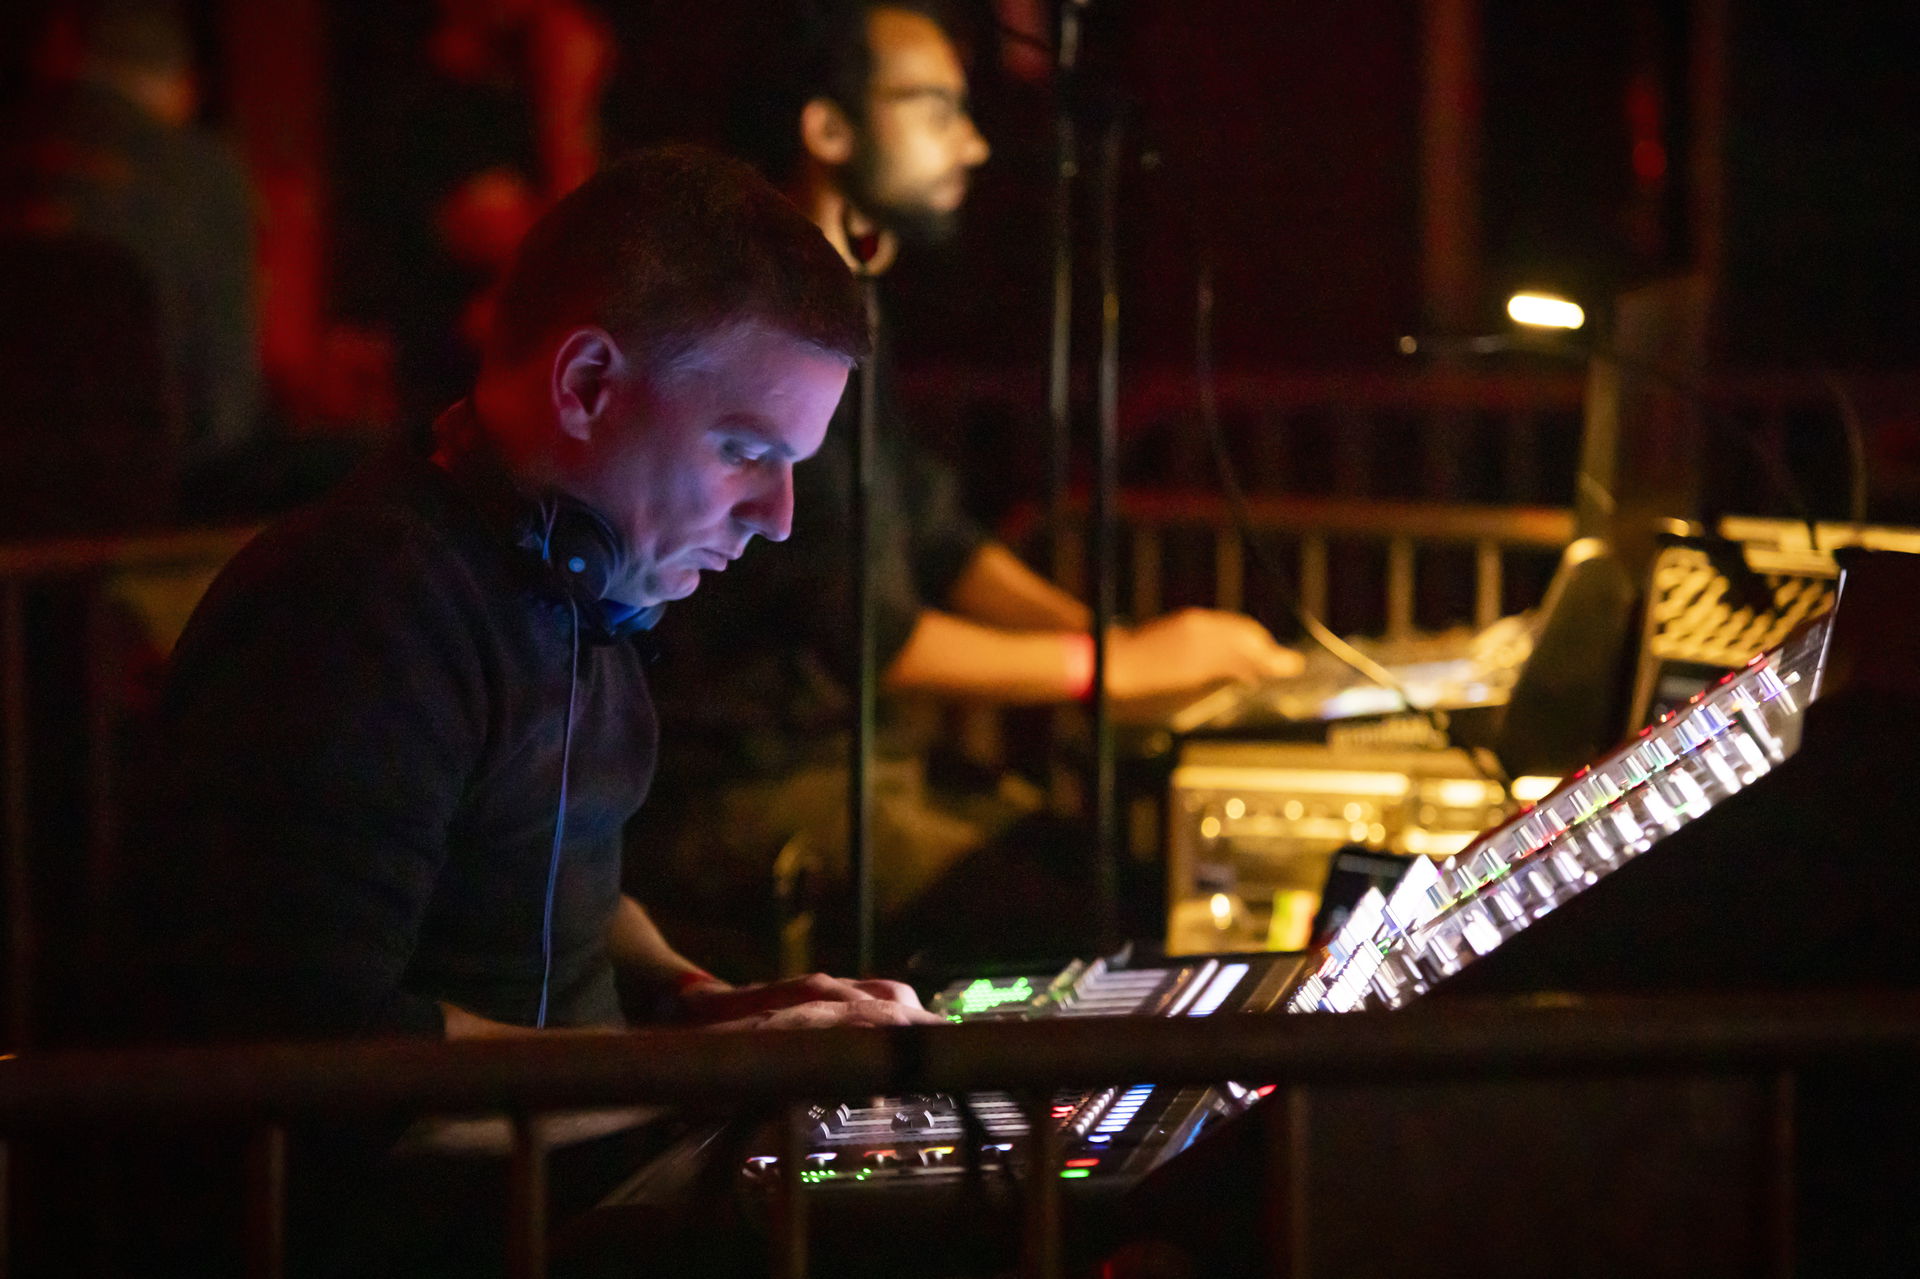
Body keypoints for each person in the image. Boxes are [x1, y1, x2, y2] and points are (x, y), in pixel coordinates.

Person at [128, 145, 934, 1048]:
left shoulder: (577, 579)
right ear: (587, 384)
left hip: (571, 1162)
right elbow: (322, 1040)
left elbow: (549, 880)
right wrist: (684, 1070)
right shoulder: (361, 610)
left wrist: (701, 996)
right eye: (745, 451)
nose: (778, 517)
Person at [636, 1, 1302, 976]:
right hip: (746, 786)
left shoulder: (847, 295)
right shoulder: (767, 321)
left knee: (1107, 871)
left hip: (844, 764)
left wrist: (1116, 646)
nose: (976, 141)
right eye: (937, 106)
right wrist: (1112, 669)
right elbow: (874, 638)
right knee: (1070, 916)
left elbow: (939, 537)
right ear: (828, 129)